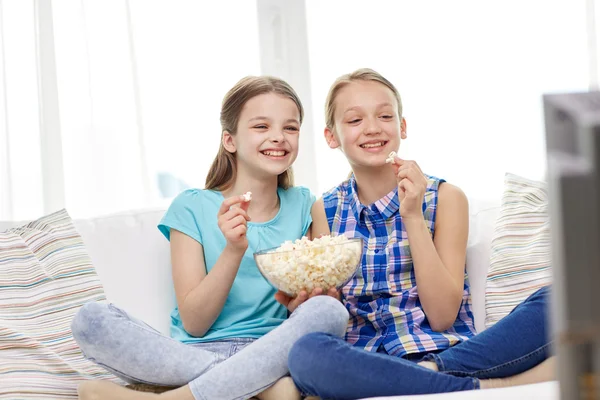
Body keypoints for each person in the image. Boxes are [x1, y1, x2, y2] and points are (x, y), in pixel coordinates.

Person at [70, 75, 349, 400]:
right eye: (261, 127)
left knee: (330, 311)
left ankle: (177, 397)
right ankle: (260, 388)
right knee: (90, 320)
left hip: (273, 349)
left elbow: (316, 304)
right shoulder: (191, 206)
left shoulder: (305, 205)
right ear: (229, 140)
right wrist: (233, 250)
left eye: (290, 128)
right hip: (195, 353)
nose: (278, 137)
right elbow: (195, 323)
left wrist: (309, 299)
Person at [284, 68, 553, 399]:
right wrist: (317, 302)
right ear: (331, 136)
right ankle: (470, 387)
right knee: (305, 352)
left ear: (402, 126)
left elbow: (441, 317)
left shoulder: (445, 197)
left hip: (445, 353)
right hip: (364, 361)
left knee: (563, 299)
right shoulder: (324, 210)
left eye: (385, 116)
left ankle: (425, 377)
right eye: (354, 120)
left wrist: (411, 214)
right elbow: (332, 313)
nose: (372, 128)